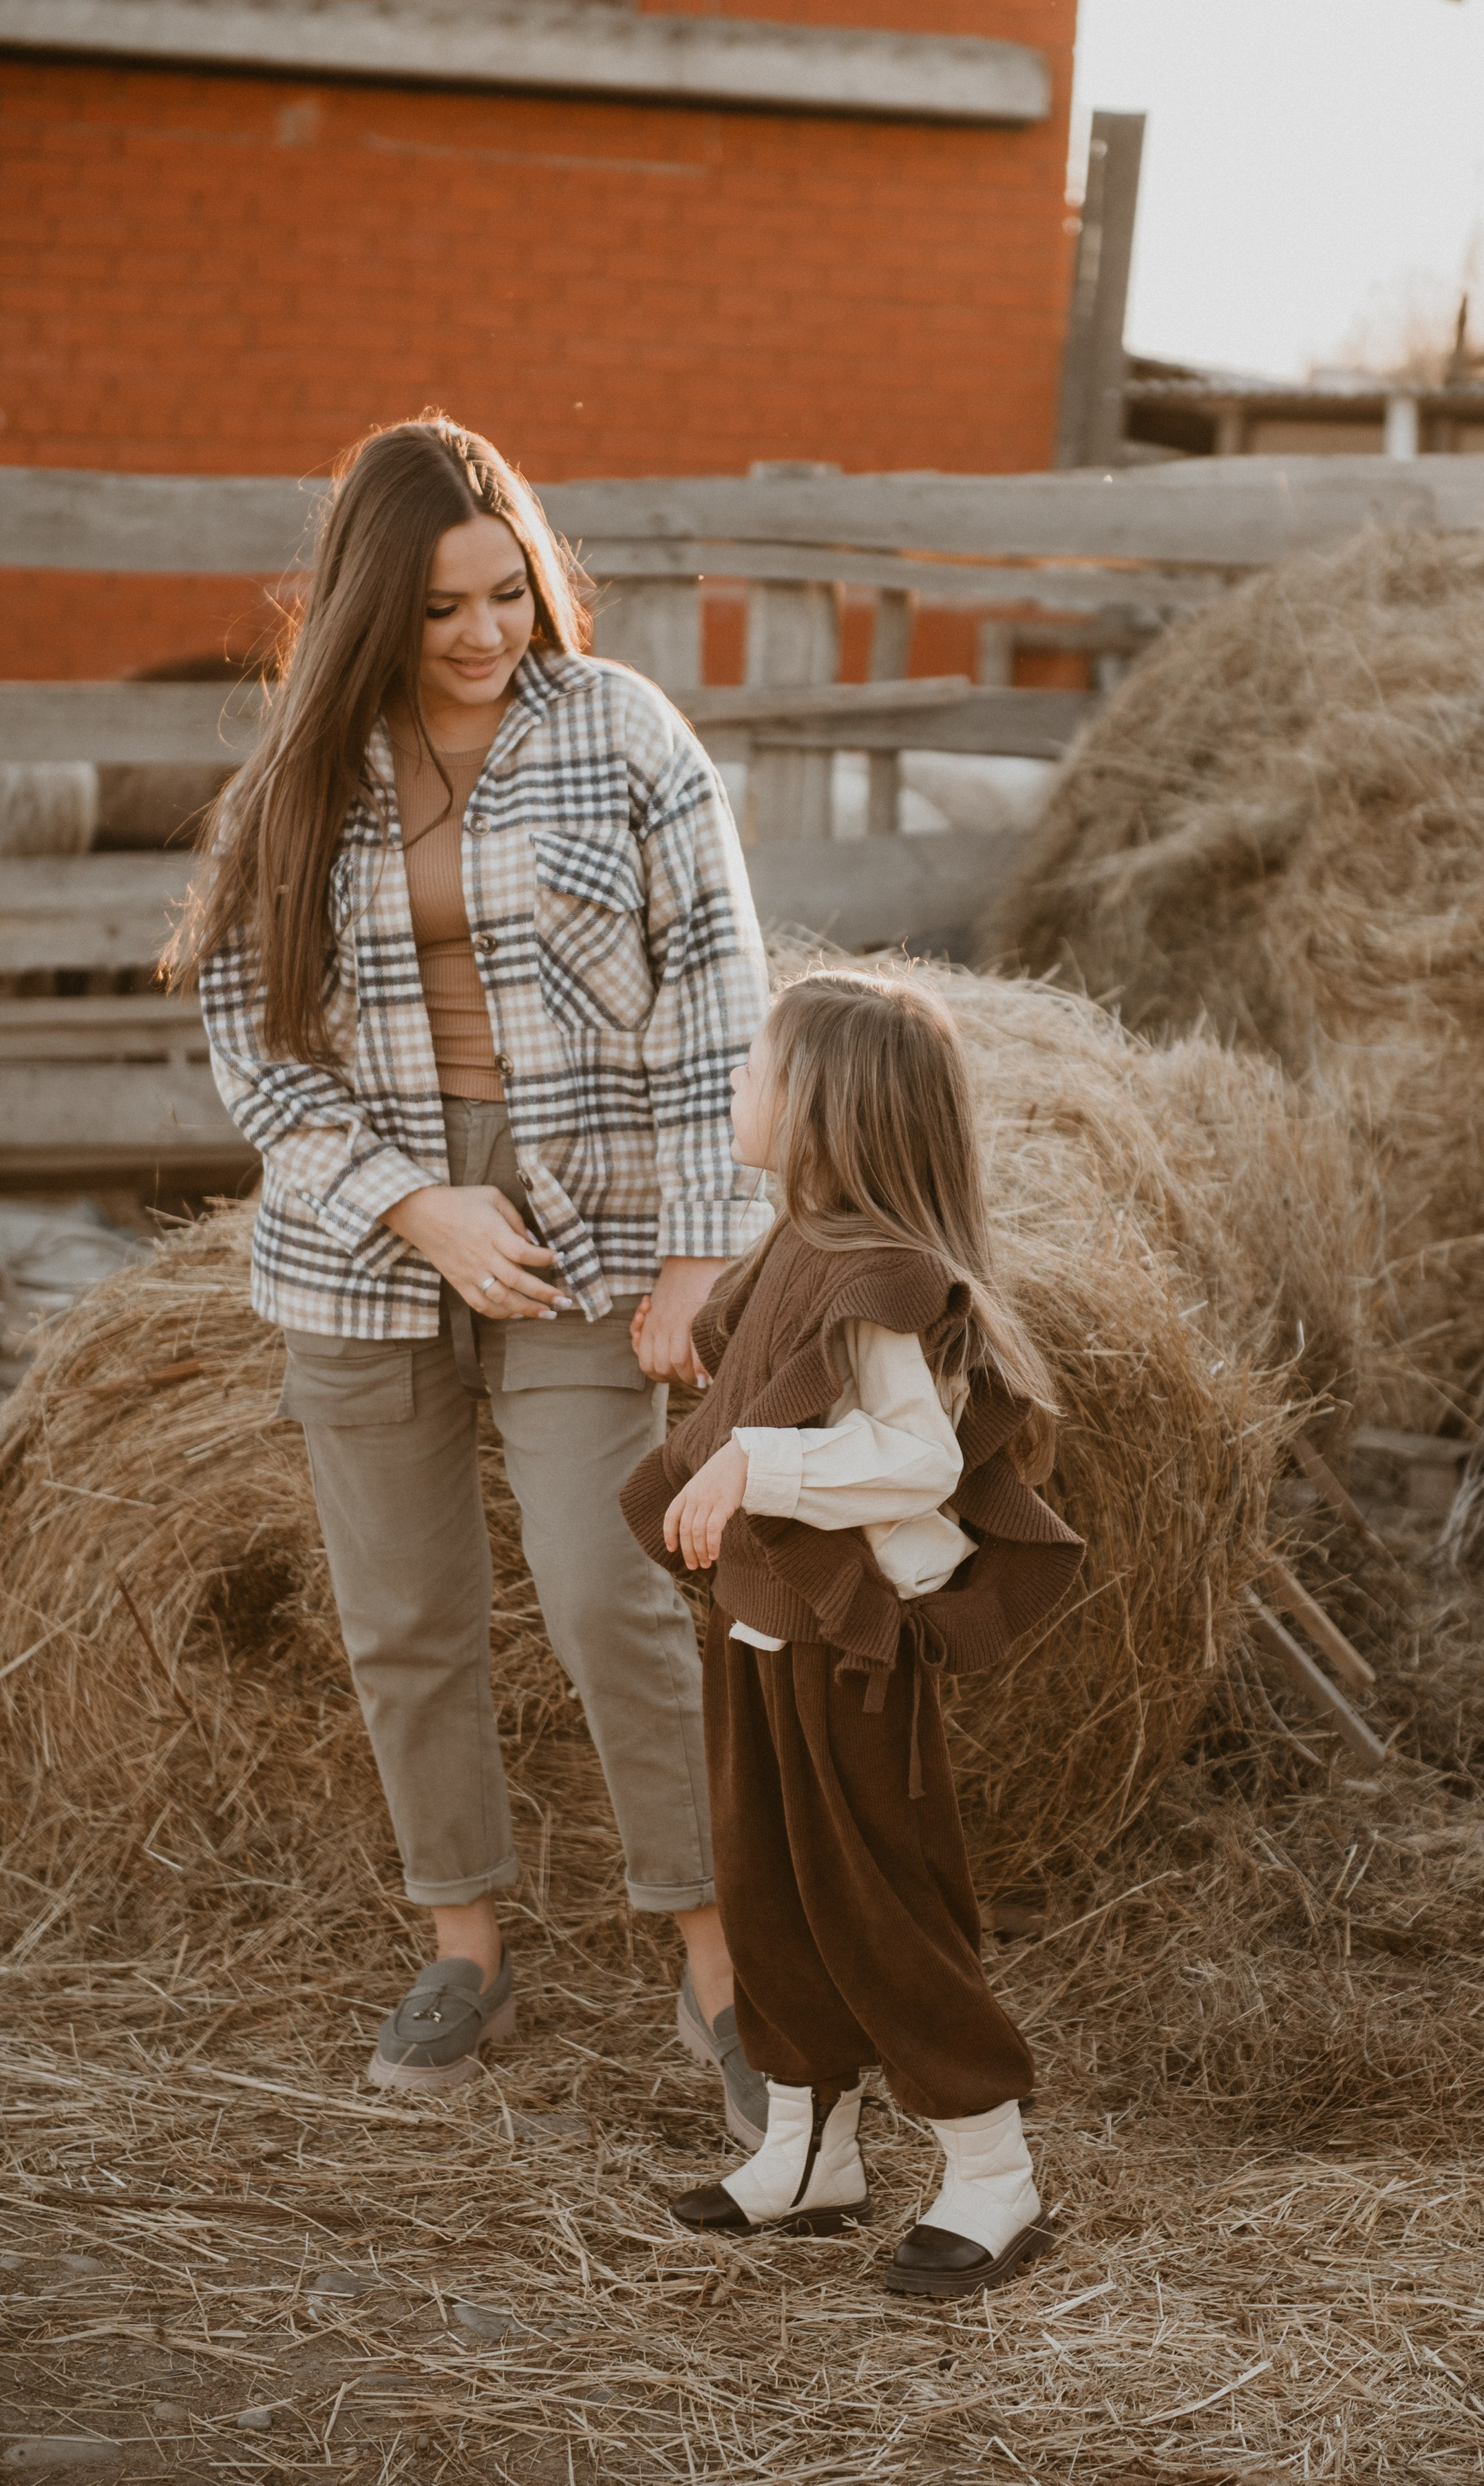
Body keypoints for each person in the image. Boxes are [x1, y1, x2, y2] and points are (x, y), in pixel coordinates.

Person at [176, 417, 771, 2134]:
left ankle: (717, 1965)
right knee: (407, 1620)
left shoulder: (623, 738)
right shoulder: (296, 773)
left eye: (509, 592)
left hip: (582, 1221)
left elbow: (717, 999)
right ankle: (467, 1948)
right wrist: (409, 1204)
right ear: (372, 604)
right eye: (442, 606)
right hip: (368, 1245)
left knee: (607, 1592)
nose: (486, 633)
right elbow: (251, 1041)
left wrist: (691, 1258)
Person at [619, 971, 1085, 2298]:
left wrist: (751, 1466)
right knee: (766, 1891)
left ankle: (995, 2176)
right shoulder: (793, 1244)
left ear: (822, 1108)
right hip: (766, 1630)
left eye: (756, 1068)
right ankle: (808, 2148)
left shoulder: (872, 1271)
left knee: (877, 1905)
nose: (735, 1085)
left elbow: (916, 1457)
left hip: (851, 1649)